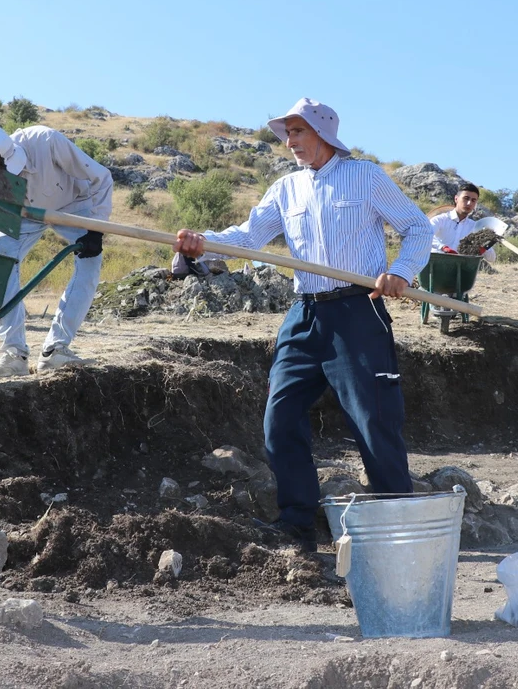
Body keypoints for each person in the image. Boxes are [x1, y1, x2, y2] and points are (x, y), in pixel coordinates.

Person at [171, 98, 431, 551]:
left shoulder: (365, 177)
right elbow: (249, 237)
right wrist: (203, 244)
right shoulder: (286, 189)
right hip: (304, 311)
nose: (290, 141)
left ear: (323, 135)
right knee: (280, 417)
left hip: (357, 310)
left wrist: (402, 272)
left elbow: (418, 228)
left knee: (374, 419)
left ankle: (396, 528)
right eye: (287, 133)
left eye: (298, 132)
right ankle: (296, 522)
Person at [0, 124, 112, 376]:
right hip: (24, 215)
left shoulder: (47, 142)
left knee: (90, 263)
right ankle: (14, 353)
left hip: (74, 205)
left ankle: (56, 350)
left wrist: (96, 228)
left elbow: (102, 177)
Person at [429, 182, 496, 263]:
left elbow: (492, 259)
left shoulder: (474, 227)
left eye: (473, 200)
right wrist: (443, 247)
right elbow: (425, 236)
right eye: (466, 198)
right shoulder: (440, 220)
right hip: (434, 266)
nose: (469, 203)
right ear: (456, 199)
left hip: (460, 270)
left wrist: (484, 247)